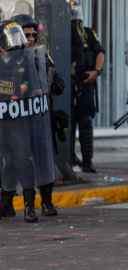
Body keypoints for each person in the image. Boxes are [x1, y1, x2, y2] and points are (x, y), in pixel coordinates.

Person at [0, 14, 66, 218]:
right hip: (11, 119)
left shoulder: (40, 56)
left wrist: (44, 86)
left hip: (37, 118)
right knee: (10, 161)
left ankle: (44, 202)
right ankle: (7, 201)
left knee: (41, 158)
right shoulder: (8, 59)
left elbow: (58, 84)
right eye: (25, 34)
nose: (30, 39)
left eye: (33, 35)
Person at [0, 20, 44, 222]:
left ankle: (29, 206)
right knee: (7, 164)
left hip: (18, 122)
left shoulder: (24, 59)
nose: (16, 41)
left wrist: (29, 89)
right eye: (12, 37)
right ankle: (6, 203)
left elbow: (35, 89)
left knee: (23, 160)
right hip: (1, 121)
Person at [71, 1, 104, 173]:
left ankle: (87, 161)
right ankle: (69, 157)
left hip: (86, 82)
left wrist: (97, 71)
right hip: (69, 83)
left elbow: (100, 52)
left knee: (85, 122)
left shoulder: (89, 33)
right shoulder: (63, 31)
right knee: (67, 124)